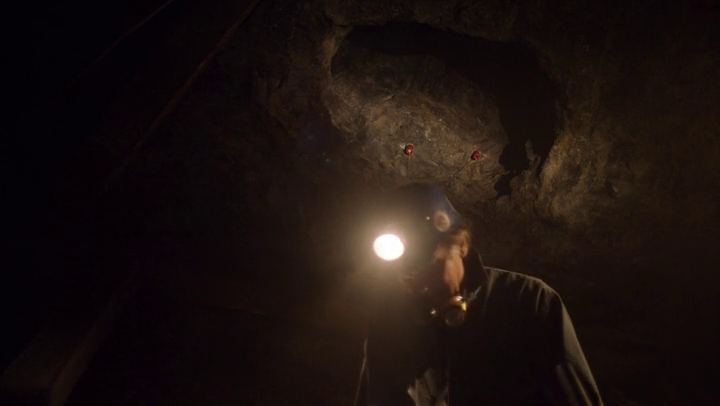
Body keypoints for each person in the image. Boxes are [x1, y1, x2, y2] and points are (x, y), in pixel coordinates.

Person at [355, 183, 603, 405]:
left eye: (432, 268)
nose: (421, 286)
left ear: (462, 245)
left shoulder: (528, 302)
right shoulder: (388, 324)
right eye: (409, 277)